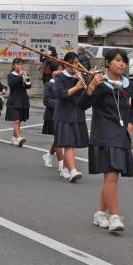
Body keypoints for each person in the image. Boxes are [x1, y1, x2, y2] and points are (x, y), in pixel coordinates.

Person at [78, 49, 133, 232]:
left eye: (124, 61)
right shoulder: (99, 82)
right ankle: (114, 217)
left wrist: (131, 121)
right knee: (112, 174)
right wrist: (91, 87)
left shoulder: (128, 85)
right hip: (104, 133)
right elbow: (82, 105)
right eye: (118, 60)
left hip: (121, 133)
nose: (122, 64)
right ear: (108, 62)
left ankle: (100, 213)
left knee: (110, 177)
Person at [53, 52, 91, 182]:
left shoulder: (78, 77)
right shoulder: (60, 78)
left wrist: (89, 79)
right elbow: (61, 94)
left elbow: (86, 95)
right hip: (64, 114)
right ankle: (73, 170)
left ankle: (64, 169)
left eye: (77, 63)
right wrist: (76, 87)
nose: (75, 66)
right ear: (66, 63)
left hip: (76, 114)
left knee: (71, 143)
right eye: (73, 63)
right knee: (69, 144)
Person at [42, 67, 66, 176]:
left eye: (61, 69)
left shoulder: (64, 83)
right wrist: (60, 103)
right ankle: (62, 165)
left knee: (59, 138)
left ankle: (49, 155)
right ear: (52, 72)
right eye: (56, 69)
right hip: (52, 115)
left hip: (64, 115)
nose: (59, 71)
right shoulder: (48, 84)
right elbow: (46, 101)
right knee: (58, 139)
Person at [5, 57, 31, 147]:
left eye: (21, 64)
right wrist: (20, 76)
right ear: (13, 65)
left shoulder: (24, 74)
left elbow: (28, 86)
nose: (20, 66)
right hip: (14, 100)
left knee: (19, 121)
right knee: (16, 120)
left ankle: (13, 138)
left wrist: (26, 77)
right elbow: (12, 84)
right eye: (17, 64)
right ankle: (19, 137)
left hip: (23, 100)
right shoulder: (11, 75)